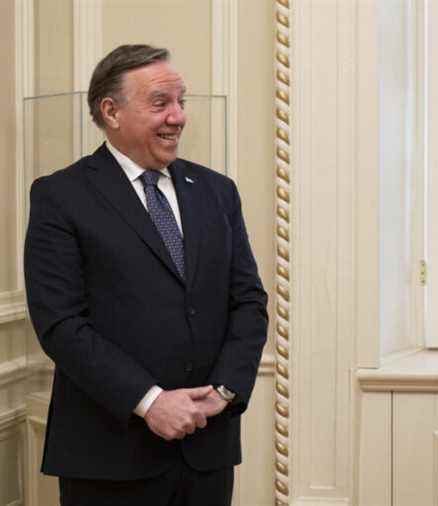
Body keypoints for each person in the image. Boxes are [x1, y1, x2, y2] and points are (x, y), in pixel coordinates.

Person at [24, 44, 268, 506]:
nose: (177, 117)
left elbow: (249, 302)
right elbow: (60, 324)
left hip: (206, 450)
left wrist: (224, 391)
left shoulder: (217, 191)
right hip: (109, 455)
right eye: (160, 103)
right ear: (111, 111)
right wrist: (150, 400)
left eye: (181, 102)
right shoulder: (61, 195)